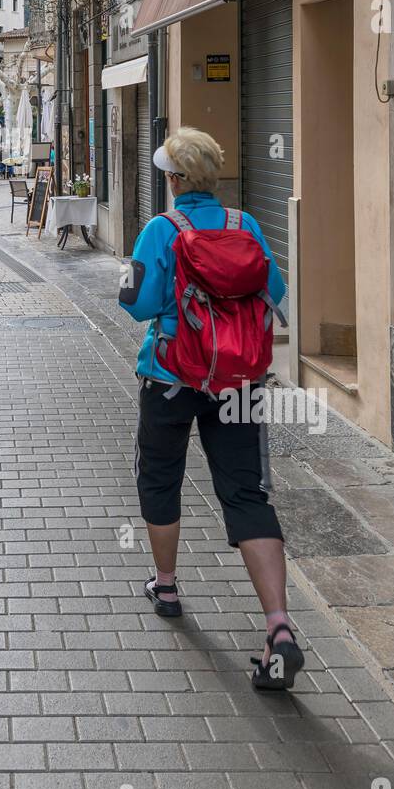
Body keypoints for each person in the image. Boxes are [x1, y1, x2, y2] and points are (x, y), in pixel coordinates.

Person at [117, 126, 302, 691]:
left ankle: (167, 585)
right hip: (238, 381)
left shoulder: (159, 229)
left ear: (173, 180)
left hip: (171, 376)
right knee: (247, 493)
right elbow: (278, 290)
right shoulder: (242, 225)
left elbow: (136, 303)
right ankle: (278, 626)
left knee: (161, 476)